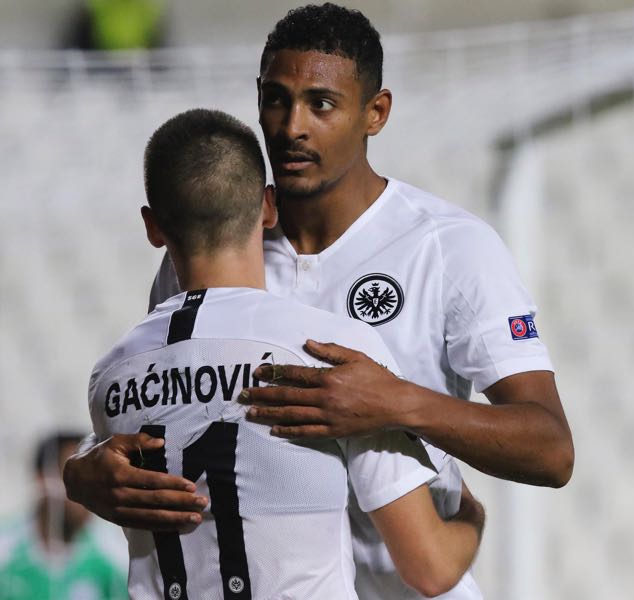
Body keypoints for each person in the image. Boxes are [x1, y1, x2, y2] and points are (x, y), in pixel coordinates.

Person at [65, 4, 574, 599]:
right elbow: (170, 400)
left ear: (375, 113)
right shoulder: (214, 243)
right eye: (276, 100)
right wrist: (82, 470)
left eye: (321, 104)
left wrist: (398, 403)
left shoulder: (450, 248)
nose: (291, 127)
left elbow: (551, 448)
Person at [86, 108, 484, 599]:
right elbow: (429, 568)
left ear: (152, 227)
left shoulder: (111, 377)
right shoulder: (324, 354)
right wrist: (472, 515)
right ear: (269, 206)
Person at [0, 431, 127, 600]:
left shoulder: (116, 560)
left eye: (93, 481)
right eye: (74, 478)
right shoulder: (5, 551)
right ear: (42, 480)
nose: (88, 492)